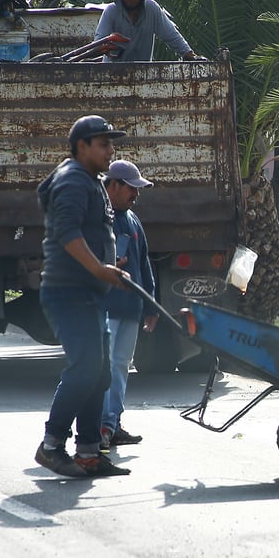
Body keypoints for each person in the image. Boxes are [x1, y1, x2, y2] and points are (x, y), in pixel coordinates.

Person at [34, 115, 133, 478]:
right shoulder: (73, 180)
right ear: (82, 147)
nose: (111, 151)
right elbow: (67, 233)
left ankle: (89, 453)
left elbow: (88, 237)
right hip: (68, 291)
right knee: (86, 368)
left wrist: (110, 265)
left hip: (87, 291)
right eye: (104, 144)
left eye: (111, 143)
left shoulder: (89, 180)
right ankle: (52, 445)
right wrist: (99, 269)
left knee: (101, 373)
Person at [101, 159, 158, 451]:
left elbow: (144, 263)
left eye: (138, 189)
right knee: (104, 367)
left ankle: (113, 423)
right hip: (106, 307)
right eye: (131, 189)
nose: (136, 194)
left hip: (132, 307)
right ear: (113, 185)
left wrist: (151, 306)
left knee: (121, 366)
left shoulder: (133, 220)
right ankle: (99, 426)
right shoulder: (101, 216)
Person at [95, 0, 200, 62]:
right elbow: (98, 42)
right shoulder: (111, 11)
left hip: (143, 74)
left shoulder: (151, 9)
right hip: (112, 74)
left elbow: (170, 34)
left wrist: (188, 54)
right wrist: (108, 47)